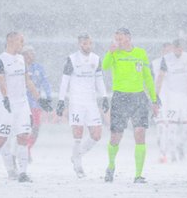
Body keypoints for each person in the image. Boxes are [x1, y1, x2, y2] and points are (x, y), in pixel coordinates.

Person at [0, 32, 53, 182]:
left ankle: (22, 173)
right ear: (12, 41)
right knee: (2, 138)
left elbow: (28, 81)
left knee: (23, 136)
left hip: (22, 104)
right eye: (21, 41)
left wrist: (39, 99)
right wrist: (6, 99)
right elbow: (2, 82)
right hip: (5, 104)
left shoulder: (21, 59)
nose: (23, 44)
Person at [102, 28, 159, 183]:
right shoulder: (115, 53)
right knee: (116, 136)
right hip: (120, 97)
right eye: (116, 39)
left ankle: (138, 175)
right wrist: (110, 52)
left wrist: (154, 100)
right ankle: (111, 165)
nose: (117, 42)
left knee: (140, 133)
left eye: (120, 39)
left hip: (138, 98)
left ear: (128, 38)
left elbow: (147, 77)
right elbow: (105, 66)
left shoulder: (140, 53)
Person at [55, 33, 109, 178]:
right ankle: (78, 164)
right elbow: (65, 81)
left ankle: (76, 155)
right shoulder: (72, 59)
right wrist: (61, 100)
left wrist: (104, 97)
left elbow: (99, 80)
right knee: (78, 134)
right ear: (80, 44)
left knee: (97, 135)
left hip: (91, 102)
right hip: (76, 102)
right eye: (85, 44)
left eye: (90, 43)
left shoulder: (96, 59)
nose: (88, 46)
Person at [156, 39, 187, 162]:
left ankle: (179, 145)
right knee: (171, 127)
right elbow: (160, 77)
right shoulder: (166, 59)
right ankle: (172, 154)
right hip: (173, 98)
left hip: (186, 97)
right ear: (173, 49)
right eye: (176, 49)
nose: (178, 51)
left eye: (180, 48)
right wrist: (156, 95)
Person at [21, 45, 52, 162]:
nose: (32, 56)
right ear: (23, 55)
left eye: (33, 53)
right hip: (22, 104)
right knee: (23, 129)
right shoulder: (18, 68)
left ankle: (27, 148)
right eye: (29, 53)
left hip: (36, 104)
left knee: (36, 128)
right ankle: (20, 152)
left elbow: (46, 83)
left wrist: (48, 97)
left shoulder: (38, 68)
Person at [151, 42, 174, 163]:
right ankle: (162, 153)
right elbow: (148, 80)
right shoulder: (154, 63)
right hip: (159, 99)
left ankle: (170, 153)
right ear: (162, 51)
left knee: (171, 127)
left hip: (172, 100)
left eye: (171, 51)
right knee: (160, 127)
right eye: (166, 51)